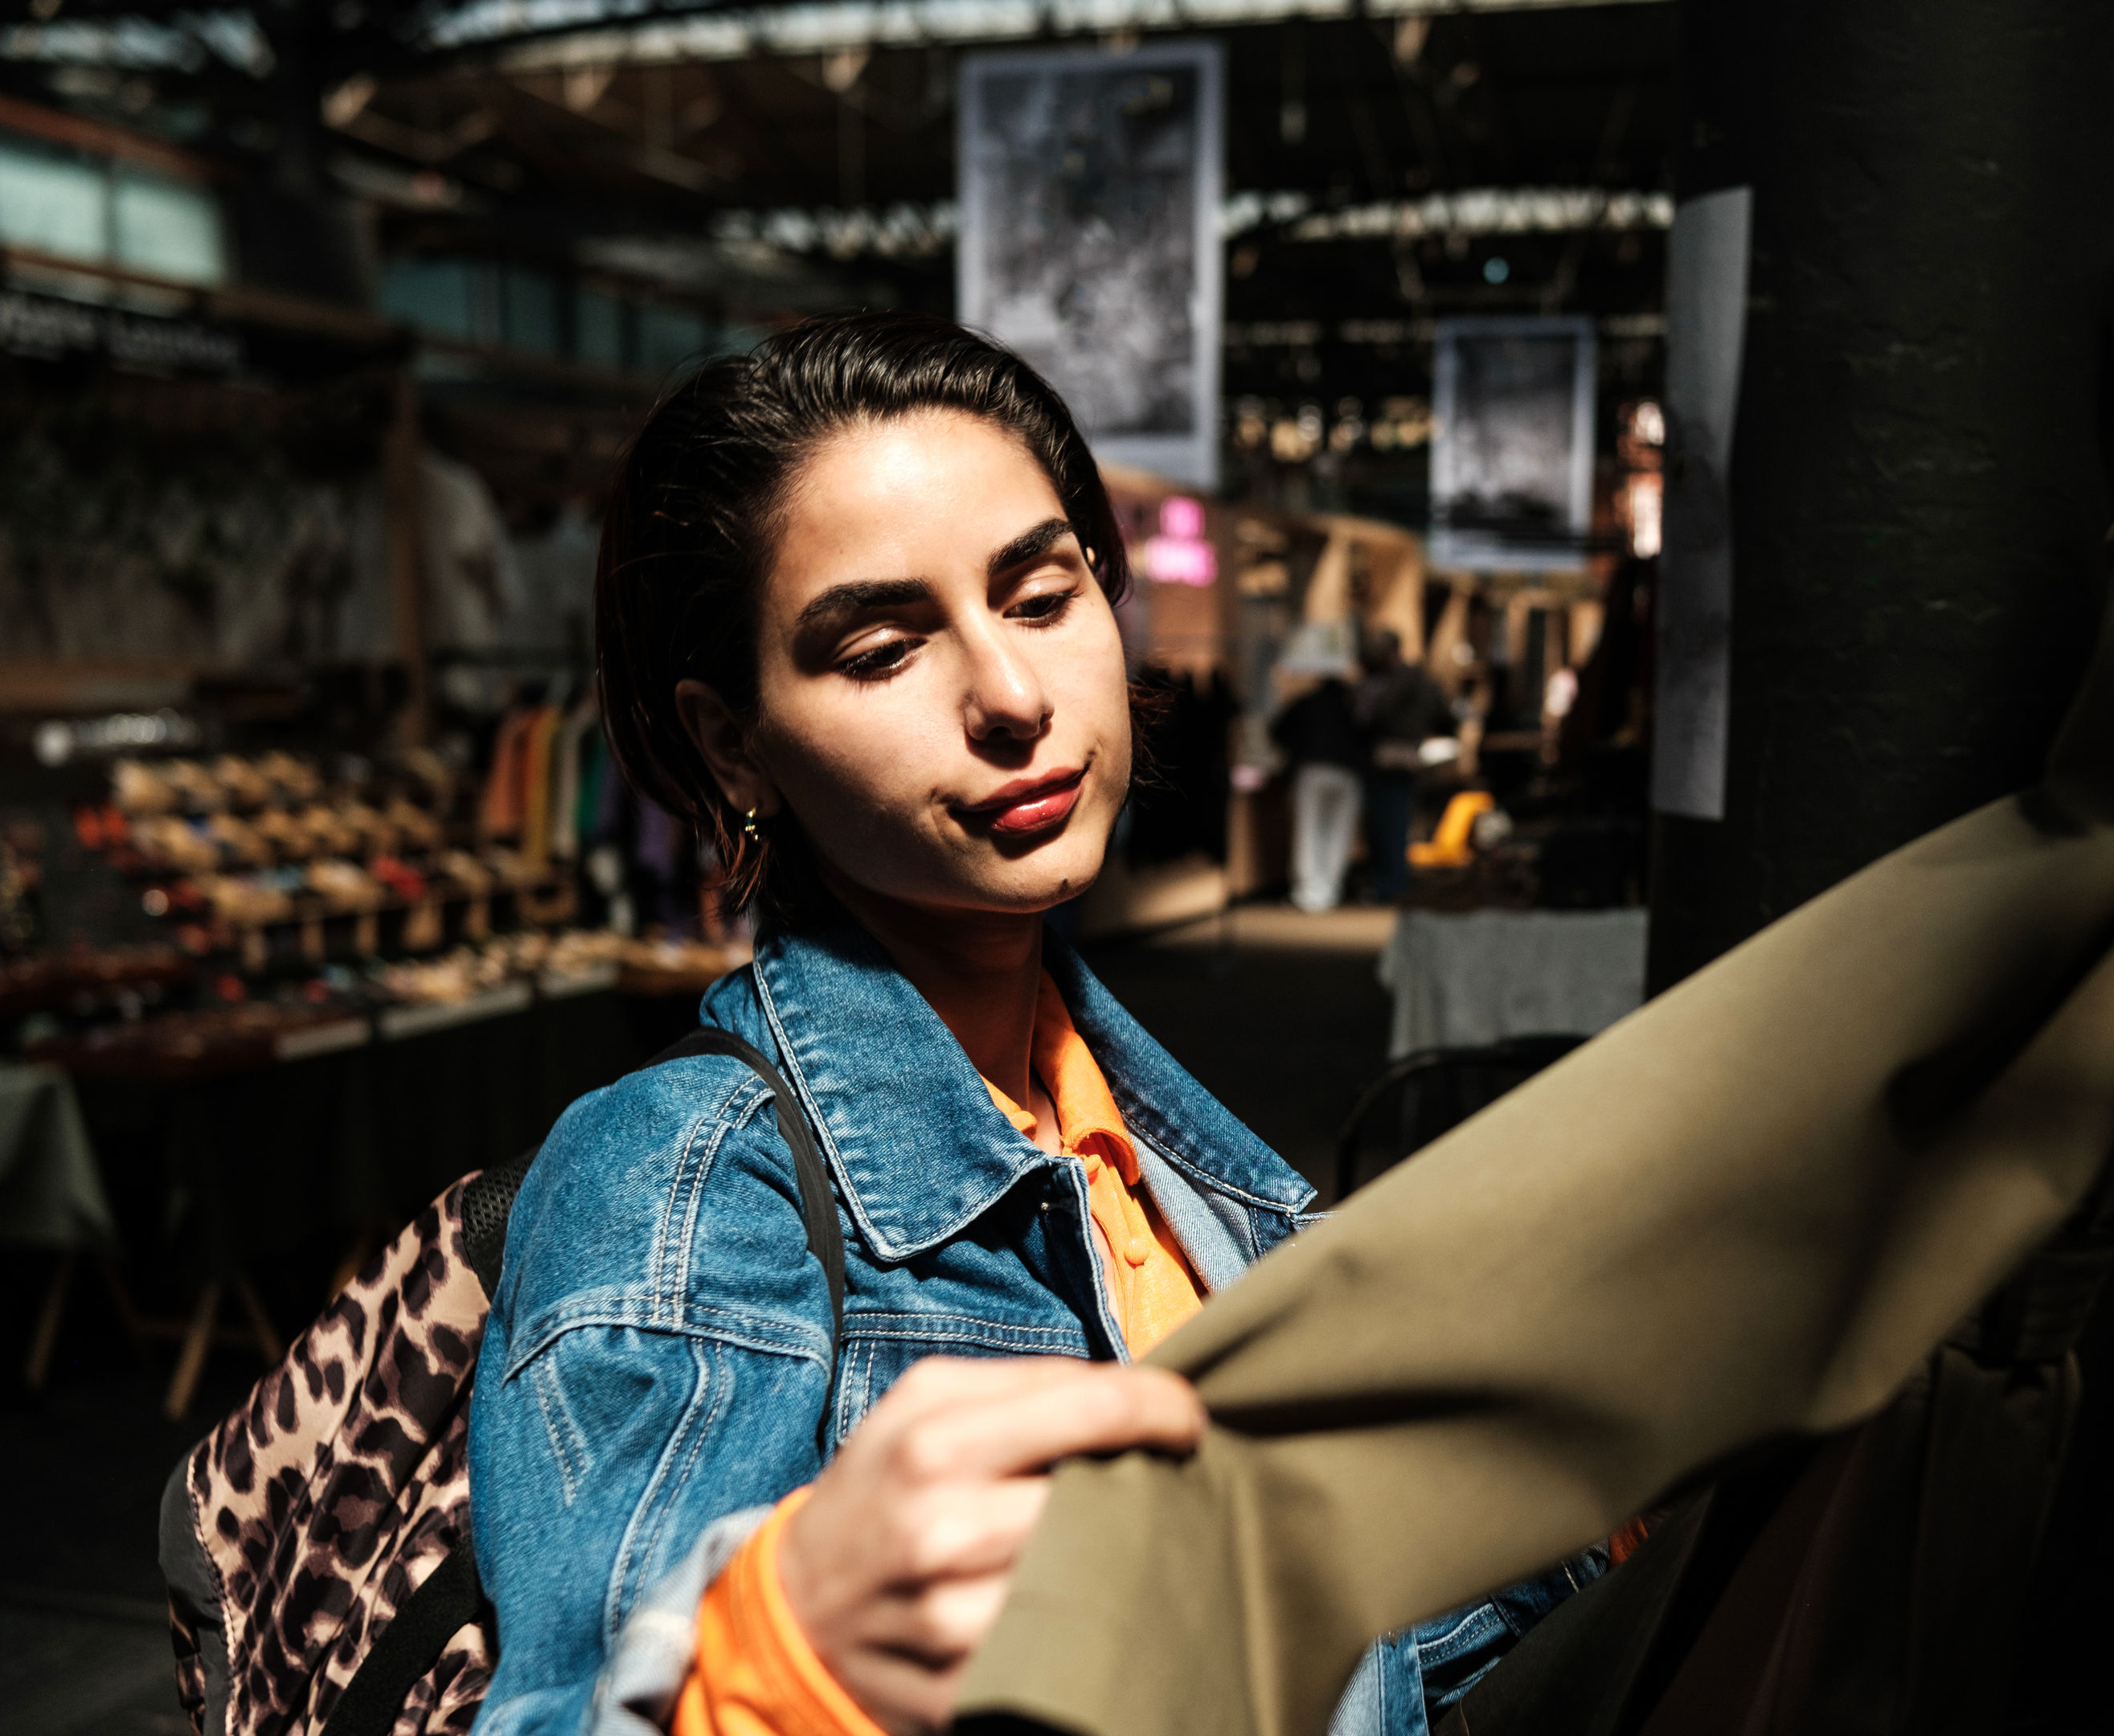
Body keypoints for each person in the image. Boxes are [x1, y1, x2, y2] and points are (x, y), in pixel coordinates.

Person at [468, 313, 1600, 1736]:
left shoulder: (1142, 1132)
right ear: (731, 741)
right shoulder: (679, 1187)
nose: (1010, 698)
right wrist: (774, 1664)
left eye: (1043, 597)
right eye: (881, 649)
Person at [1353, 629, 1445, 905]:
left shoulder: (1400, 681)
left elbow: (1375, 716)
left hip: (1391, 755)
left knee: (1388, 822)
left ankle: (1390, 884)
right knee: (1392, 821)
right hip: (1404, 754)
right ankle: (1392, 882)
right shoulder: (1415, 678)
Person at [1269, 659, 1363, 913]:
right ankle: (1330, 891)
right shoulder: (1350, 707)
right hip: (1346, 773)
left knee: (1310, 831)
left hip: (1313, 770)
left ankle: (1310, 893)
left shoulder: (1307, 703)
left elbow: (1277, 730)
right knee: (1337, 834)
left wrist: (1295, 751)